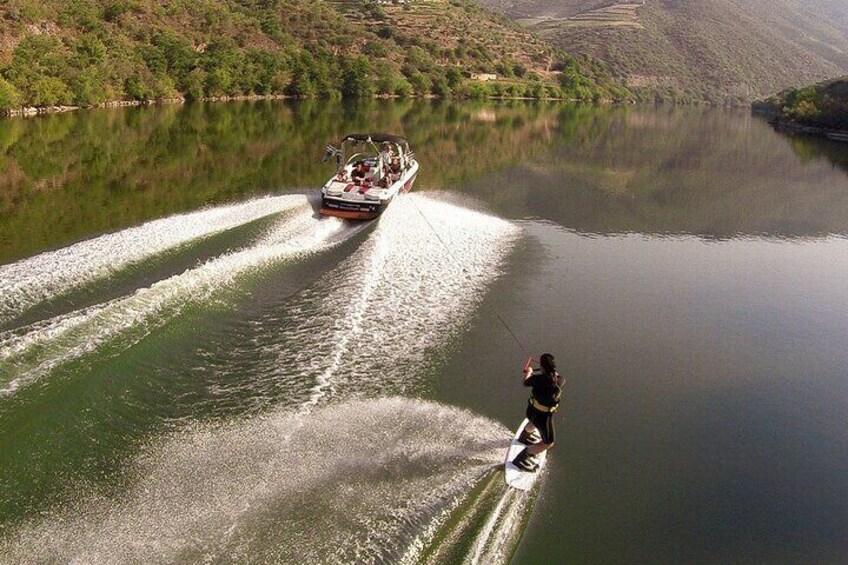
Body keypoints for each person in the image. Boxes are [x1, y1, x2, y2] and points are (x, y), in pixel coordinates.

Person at [512, 353, 564, 472]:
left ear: (542, 368)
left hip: (531, 412)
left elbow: (526, 382)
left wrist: (529, 371)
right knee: (549, 443)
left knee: (533, 422)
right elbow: (556, 378)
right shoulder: (560, 381)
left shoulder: (536, 379)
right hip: (544, 418)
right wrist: (547, 371)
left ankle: (524, 437)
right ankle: (521, 458)